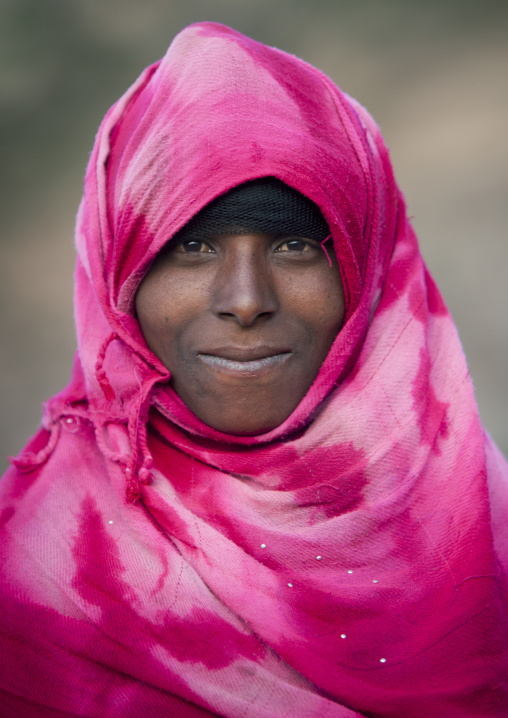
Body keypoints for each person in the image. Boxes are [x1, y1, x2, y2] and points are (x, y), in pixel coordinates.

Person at [0, 21, 506, 718]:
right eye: (192, 246)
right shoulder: (38, 575)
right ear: (119, 276)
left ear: (368, 275)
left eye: (297, 245)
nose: (245, 299)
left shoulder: (487, 543)